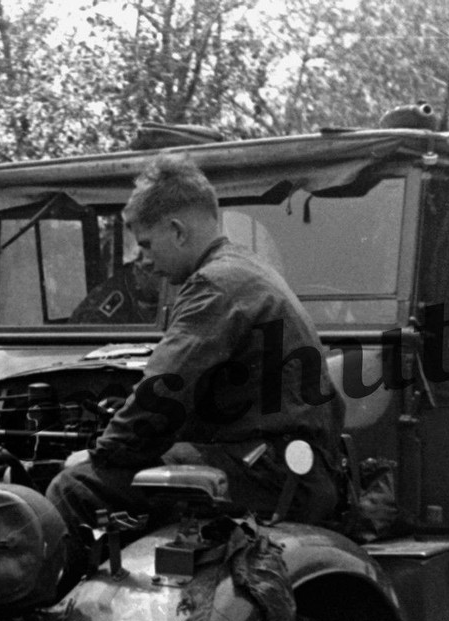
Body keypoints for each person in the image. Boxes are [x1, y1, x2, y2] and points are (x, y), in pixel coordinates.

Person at [46, 154, 343, 558]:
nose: (143, 260)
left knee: (74, 486)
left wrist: (100, 453)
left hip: (271, 474)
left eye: (147, 244)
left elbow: (161, 393)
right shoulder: (243, 269)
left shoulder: (214, 285)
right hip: (289, 468)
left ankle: (56, 616)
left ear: (177, 231)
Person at [69, 245, 167, 325]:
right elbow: (86, 336)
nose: (166, 280)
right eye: (160, 274)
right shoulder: (112, 298)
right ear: (139, 271)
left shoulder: (152, 294)